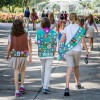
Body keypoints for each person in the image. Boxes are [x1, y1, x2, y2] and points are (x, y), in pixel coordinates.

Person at [60, 13, 89, 96]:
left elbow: (61, 40)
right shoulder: (80, 29)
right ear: (76, 19)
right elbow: (83, 42)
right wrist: (87, 52)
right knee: (76, 67)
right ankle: (77, 83)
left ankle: (66, 87)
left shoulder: (66, 28)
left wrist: (67, 39)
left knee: (69, 68)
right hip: (77, 50)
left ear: (69, 19)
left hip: (68, 50)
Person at [6, 19, 32, 97]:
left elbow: (9, 46)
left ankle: (16, 90)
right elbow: (29, 45)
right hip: (23, 55)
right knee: (23, 70)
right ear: (22, 25)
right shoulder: (26, 33)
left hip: (14, 55)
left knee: (16, 72)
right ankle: (22, 86)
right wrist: (30, 55)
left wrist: (7, 55)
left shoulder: (11, 34)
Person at [35, 18, 57, 94]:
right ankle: (45, 87)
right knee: (48, 69)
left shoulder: (38, 33)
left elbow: (36, 42)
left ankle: (43, 83)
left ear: (41, 24)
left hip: (41, 53)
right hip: (50, 53)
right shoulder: (54, 33)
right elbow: (55, 43)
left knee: (43, 67)